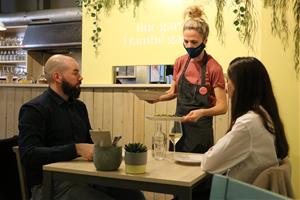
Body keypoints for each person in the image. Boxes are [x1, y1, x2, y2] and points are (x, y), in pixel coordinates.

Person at [18, 55, 145, 200]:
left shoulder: (79, 107)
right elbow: (28, 155)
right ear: (57, 76)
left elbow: (89, 144)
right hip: (49, 184)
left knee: (135, 196)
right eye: (75, 72)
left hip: (83, 177)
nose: (81, 77)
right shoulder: (34, 109)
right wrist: (76, 149)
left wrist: (105, 150)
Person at [196, 57, 290, 199]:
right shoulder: (266, 116)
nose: (226, 87)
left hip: (239, 194)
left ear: (243, 86)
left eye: (229, 81)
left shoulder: (248, 124)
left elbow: (209, 163)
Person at [150, 5, 227, 153]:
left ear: (205, 40)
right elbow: (173, 92)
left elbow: (222, 107)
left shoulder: (214, 67)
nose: (189, 46)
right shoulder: (180, 62)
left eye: (194, 42)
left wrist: (202, 112)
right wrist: (157, 98)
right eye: (186, 41)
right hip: (179, 130)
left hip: (201, 132)